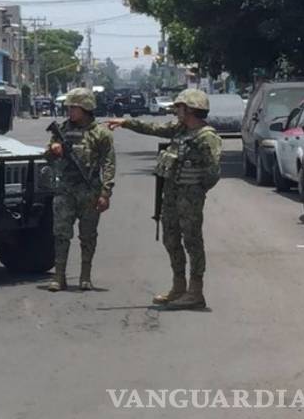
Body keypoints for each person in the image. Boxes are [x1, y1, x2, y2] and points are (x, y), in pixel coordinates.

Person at [107, 89, 221, 310]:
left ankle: (195, 292)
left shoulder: (207, 137)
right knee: (170, 239)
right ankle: (178, 287)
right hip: (170, 197)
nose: (176, 111)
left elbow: (213, 172)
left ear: (190, 109)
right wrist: (126, 123)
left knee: (192, 242)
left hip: (190, 199)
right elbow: (153, 128)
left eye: (179, 107)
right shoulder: (179, 130)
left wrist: (196, 190)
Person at [44, 87, 116, 291]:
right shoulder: (62, 130)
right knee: (61, 234)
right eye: (69, 107)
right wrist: (53, 150)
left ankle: (85, 276)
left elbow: (109, 164)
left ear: (85, 108)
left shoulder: (100, 133)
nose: (69, 111)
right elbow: (48, 157)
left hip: (89, 190)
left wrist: (105, 193)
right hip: (65, 189)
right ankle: (59, 276)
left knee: (88, 235)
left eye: (73, 108)